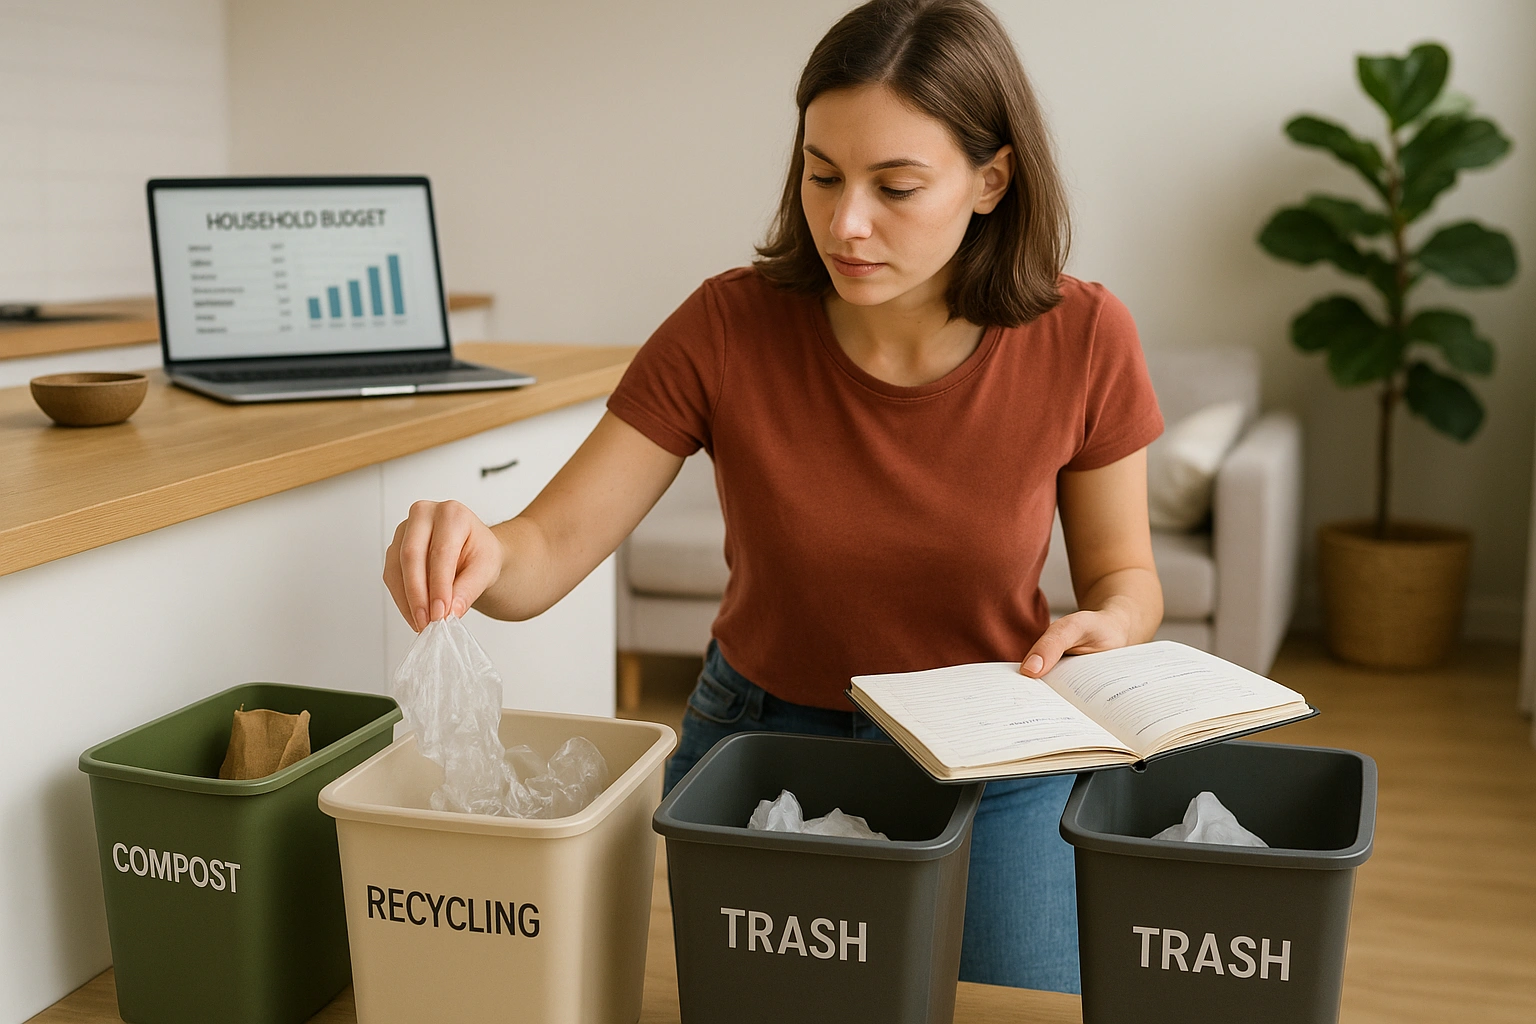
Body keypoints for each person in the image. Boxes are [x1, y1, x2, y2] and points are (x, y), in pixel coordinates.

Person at [383, 0, 1162, 994]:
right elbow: (545, 547)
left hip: (996, 754)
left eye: (897, 185)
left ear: (992, 179)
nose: (846, 221)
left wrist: (1114, 623)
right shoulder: (726, 326)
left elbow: (1124, 577)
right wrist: (477, 547)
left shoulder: (1084, 335)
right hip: (764, 737)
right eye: (822, 174)